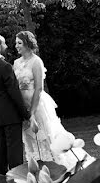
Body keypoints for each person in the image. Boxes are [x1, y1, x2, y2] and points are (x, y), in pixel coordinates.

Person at [13, 31, 75, 168]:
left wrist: (33, 113)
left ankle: (55, 166)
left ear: (28, 44)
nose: (16, 46)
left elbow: (39, 88)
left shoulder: (36, 62)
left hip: (37, 105)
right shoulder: (16, 63)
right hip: (23, 107)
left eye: (19, 43)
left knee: (45, 136)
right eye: (16, 43)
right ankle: (35, 166)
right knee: (29, 139)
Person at [0, 34, 31, 174]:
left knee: (0, 149)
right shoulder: (5, 66)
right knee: (14, 150)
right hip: (11, 115)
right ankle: (18, 181)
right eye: (3, 43)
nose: (6, 46)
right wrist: (26, 114)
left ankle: (1, 180)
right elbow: (14, 94)